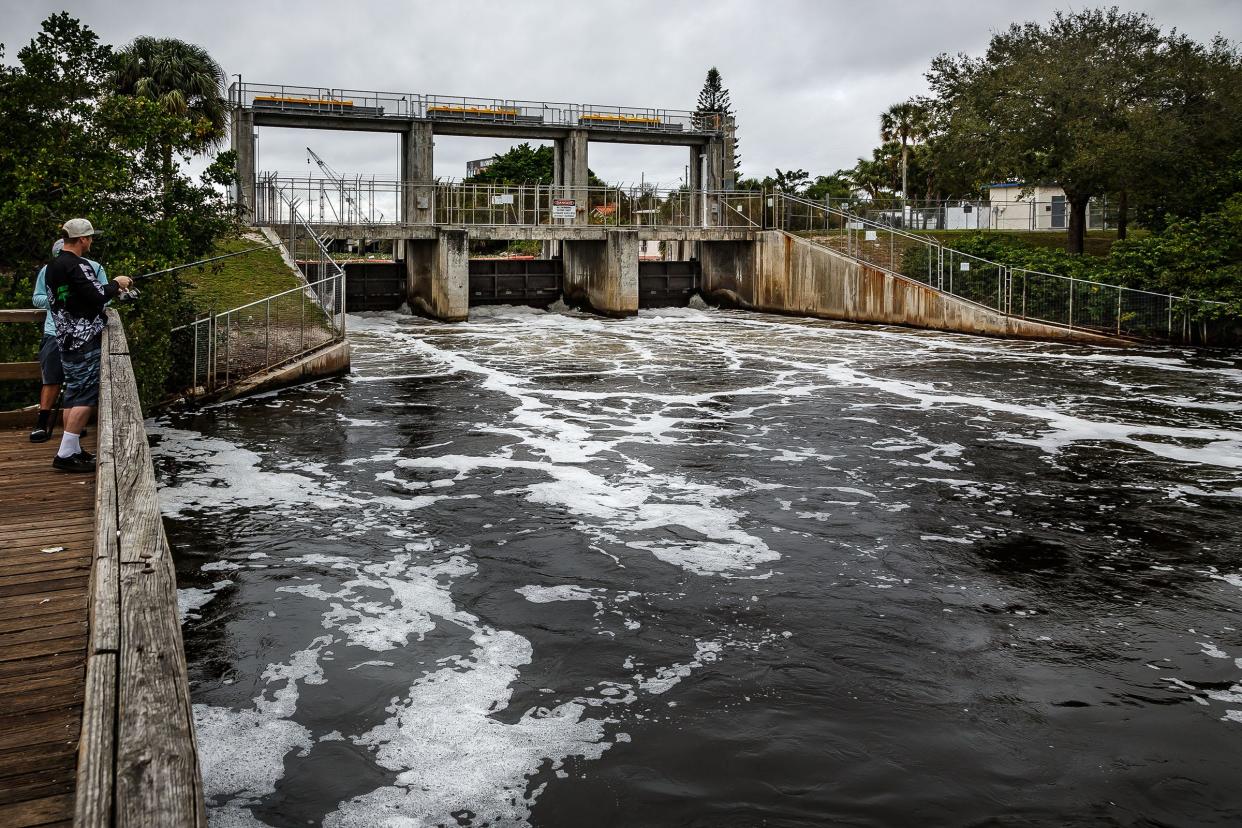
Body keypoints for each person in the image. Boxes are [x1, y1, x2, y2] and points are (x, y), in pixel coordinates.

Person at [44, 218, 132, 472]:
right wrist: (117, 284)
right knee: (85, 395)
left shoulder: (54, 265)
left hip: (65, 337)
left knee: (72, 391)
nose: (92, 241)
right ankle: (64, 455)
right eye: (90, 237)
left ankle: (73, 448)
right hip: (82, 338)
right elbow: (96, 295)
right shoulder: (78, 265)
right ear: (82, 239)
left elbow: (75, 296)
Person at [30, 237, 109, 442]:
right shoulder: (48, 270)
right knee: (53, 379)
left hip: (84, 335)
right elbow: (38, 297)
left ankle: (71, 431)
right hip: (53, 332)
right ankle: (42, 424)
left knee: (77, 386)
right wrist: (61, 299)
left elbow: (103, 295)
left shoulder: (93, 267)